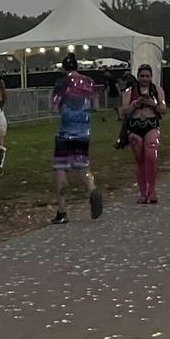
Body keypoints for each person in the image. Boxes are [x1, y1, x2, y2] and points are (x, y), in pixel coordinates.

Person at [51, 56, 105, 223]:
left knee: (60, 168)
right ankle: (92, 188)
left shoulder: (61, 84)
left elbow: (53, 108)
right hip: (83, 132)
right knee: (83, 165)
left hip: (65, 132)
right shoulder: (89, 81)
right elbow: (96, 106)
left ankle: (62, 211)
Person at [124, 64, 166, 205]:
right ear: (138, 77)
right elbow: (124, 111)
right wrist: (135, 104)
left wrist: (152, 104)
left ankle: (152, 190)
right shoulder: (130, 91)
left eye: (147, 76)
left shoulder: (157, 90)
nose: (145, 79)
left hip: (151, 125)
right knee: (140, 160)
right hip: (135, 127)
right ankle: (143, 192)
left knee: (151, 157)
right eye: (142, 76)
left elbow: (163, 109)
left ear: (151, 77)